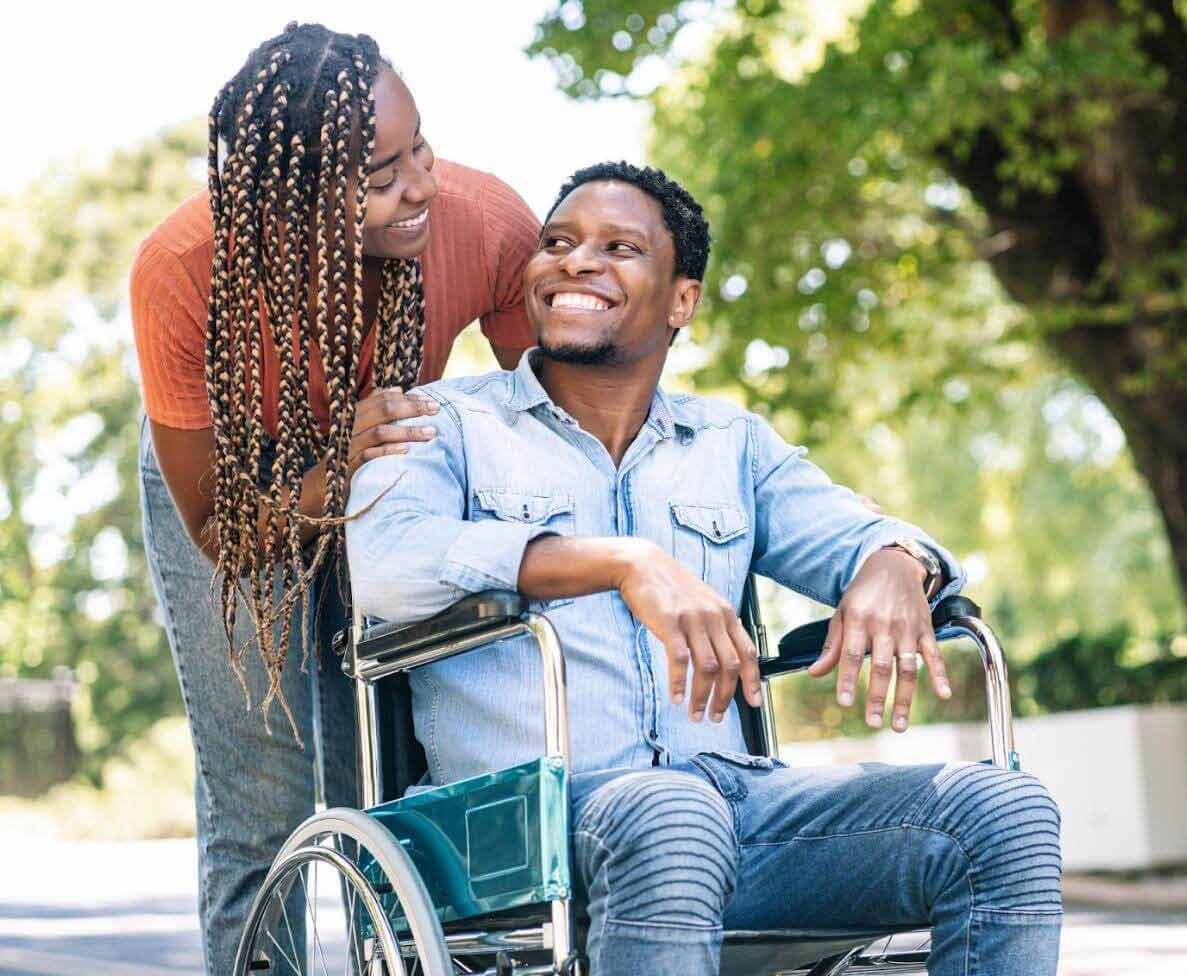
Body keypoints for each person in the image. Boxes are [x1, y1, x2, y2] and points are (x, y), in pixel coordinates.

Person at [346, 162, 1063, 975]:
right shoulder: (442, 423)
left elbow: (861, 533)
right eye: (558, 243)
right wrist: (617, 562)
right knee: (669, 814)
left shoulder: (731, 446)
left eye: (619, 247)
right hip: (518, 823)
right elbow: (384, 567)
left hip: (735, 810)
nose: (576, 262)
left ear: (681, 299)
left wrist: (898, 561)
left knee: (1003, 811)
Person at [130, 23, 538, 973]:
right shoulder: (183, 271)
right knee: (262, 795)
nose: (424, 185)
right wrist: (330, 475)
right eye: (383, 175)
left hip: (395, 467)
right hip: (241, 484)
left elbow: (553, 431)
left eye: (421, 149)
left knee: (399, 769)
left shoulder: (486, 225)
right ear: (287, 204)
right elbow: (218, 533)